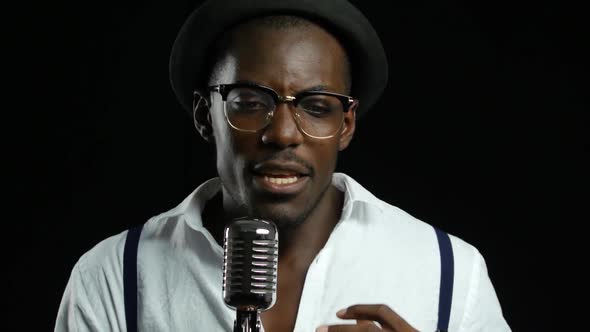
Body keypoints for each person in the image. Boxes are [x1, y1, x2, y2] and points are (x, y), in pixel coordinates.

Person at [55, 0, 511, 331]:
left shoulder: (449, 270)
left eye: (315, 105)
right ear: (203, 116)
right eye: (251, 102)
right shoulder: (114, 276)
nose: (283, 134)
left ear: (346, 124)